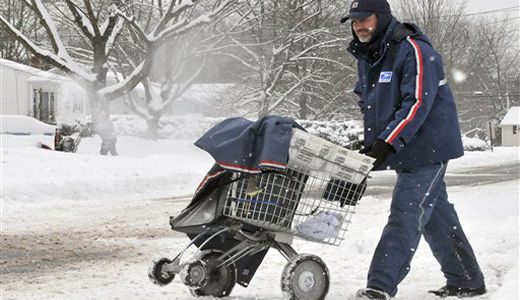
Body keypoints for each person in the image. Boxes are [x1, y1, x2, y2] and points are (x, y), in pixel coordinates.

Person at [340, 0, 486, 299]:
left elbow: (417, 103)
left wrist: (385, 143)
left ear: (380, 18)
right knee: (434, 215)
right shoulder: (371, 55)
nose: (359, 27)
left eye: (364, 20)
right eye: (354, 22)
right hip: (405, 146)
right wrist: (370, 146)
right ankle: (467, 280)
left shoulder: (415, 51)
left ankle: (379, 287)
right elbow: (370, 103)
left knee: (406, 212)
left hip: (429, 147)